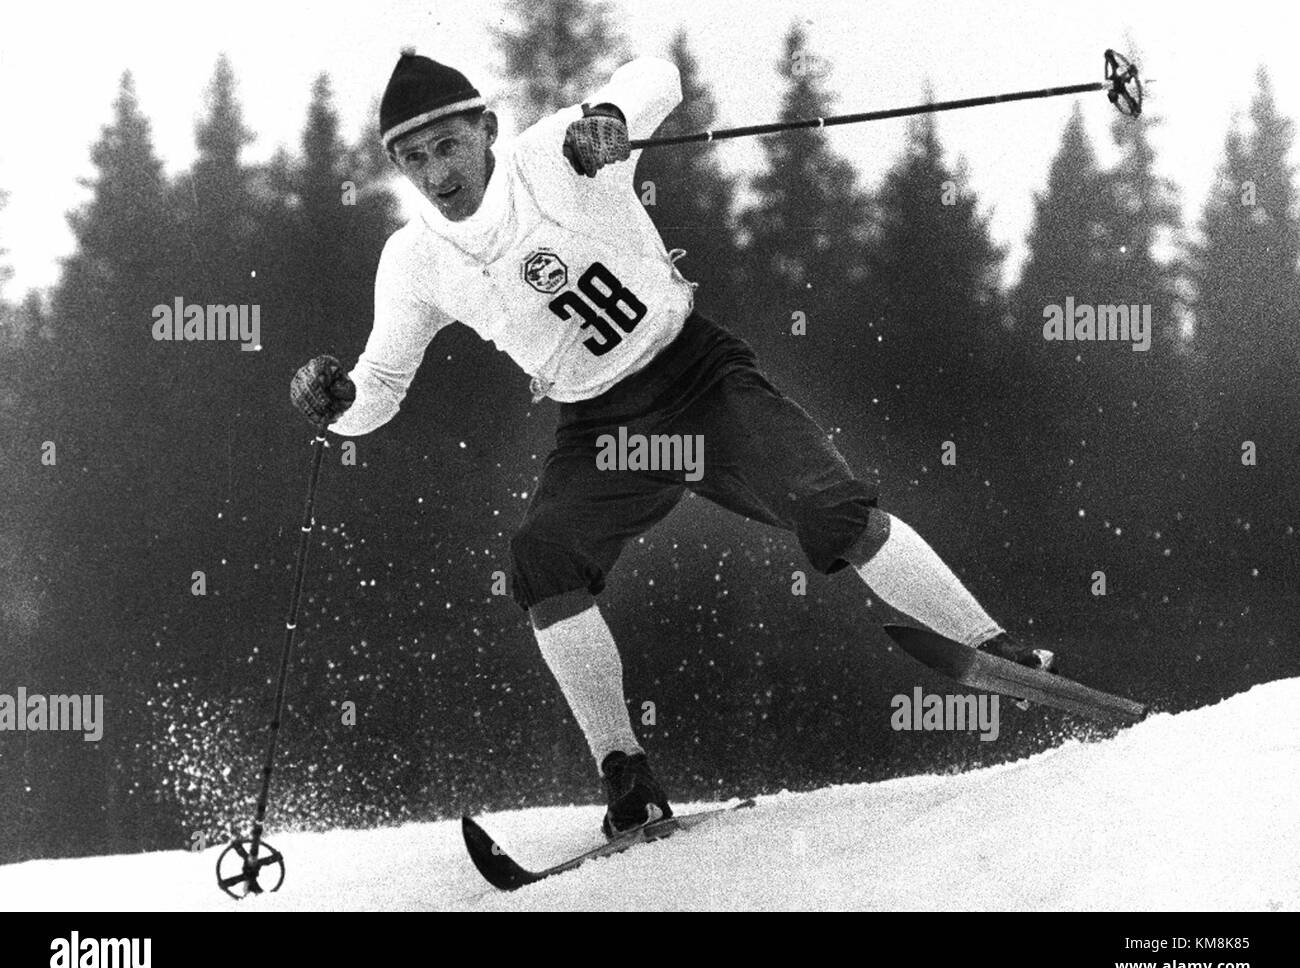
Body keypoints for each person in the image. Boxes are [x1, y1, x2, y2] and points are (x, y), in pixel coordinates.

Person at [290, 49, 1053, 839]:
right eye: (415, 158)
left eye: (449, 145)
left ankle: (995, 648)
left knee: (832, 509)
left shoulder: (552, 155)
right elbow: (379, 388)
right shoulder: (413, 260)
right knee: (542, 557)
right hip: (601, 426)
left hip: (696, 376)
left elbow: (657, 76)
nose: (438, 172)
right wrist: (337, 404)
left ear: (486, 129)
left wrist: (610, 121)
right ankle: (627, 773)